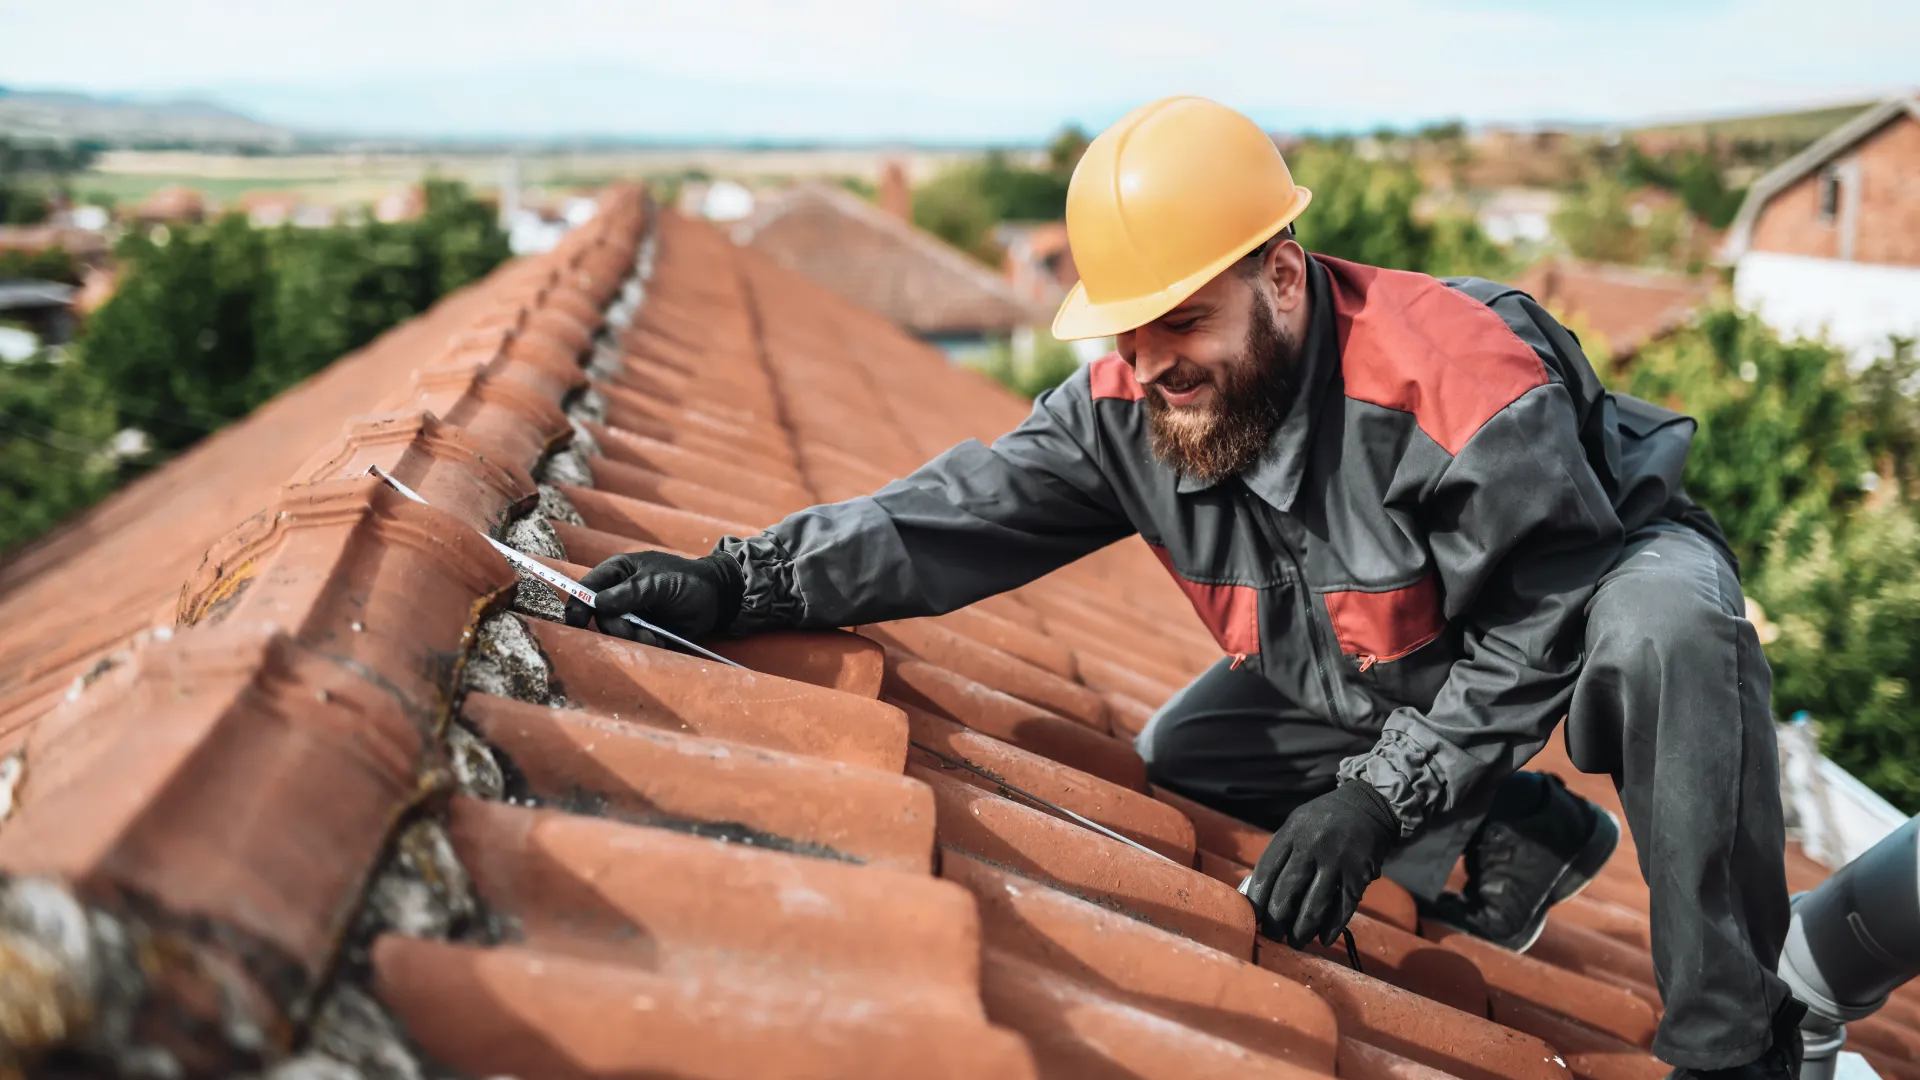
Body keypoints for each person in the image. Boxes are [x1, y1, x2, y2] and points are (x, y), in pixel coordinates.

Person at [566, 96, 1800, 1078]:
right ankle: (1522, 829)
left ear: (1278, 274)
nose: (1151, 362)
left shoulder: (1459, 386)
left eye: (1180, 320)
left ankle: (1737, 1043)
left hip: (1584, 581)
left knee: (1671, 627)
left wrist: (1379, 798)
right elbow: (945, 516)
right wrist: (738, 585)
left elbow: (1543, 613)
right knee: (1192, 755)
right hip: (1385, 645)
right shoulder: (1131, 405)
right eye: (1126, 332)